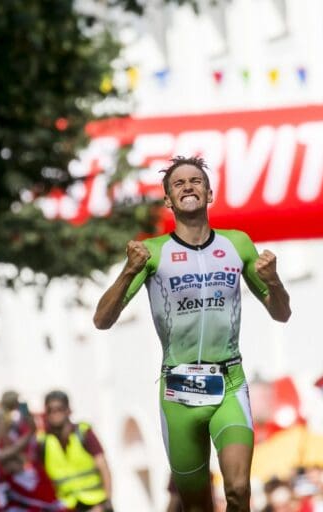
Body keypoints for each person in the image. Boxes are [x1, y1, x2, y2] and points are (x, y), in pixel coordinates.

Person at [93, 156, 291, 512]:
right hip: (178, 390)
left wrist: (273, 280)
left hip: (228, 383)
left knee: (238, 489)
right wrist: (128, 271)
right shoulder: (152, 252)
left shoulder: (238, 244)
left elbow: (281, 313)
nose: (188, 187)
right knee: (196, 505)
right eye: (179, 184)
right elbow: (102, 320)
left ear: (209, 193)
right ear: (168, 200)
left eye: (195, 181)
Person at [40, 390, 113, 512]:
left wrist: (106, 502)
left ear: (68, 410)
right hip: (67, 507)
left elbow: (103, 466)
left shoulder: (83, 433)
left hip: (96, 504)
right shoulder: (43, 442)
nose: (55, 414)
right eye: (50, 410)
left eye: (59, 409)